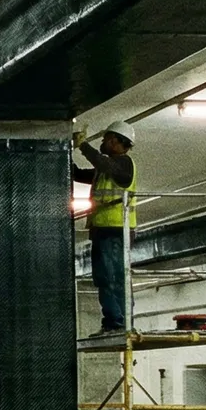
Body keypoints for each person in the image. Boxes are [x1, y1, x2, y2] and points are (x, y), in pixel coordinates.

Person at [73, 120, 138, 335]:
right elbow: (84, 174)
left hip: (116, 228)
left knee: (113, 277)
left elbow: (104, 165)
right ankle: (116, 321)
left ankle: (118, 323)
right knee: (106, 277)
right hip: (105, 229)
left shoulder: (123, 164)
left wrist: (83, 146)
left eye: (105, 139)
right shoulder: (106, 169)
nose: (102, 142)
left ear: (114, 141)